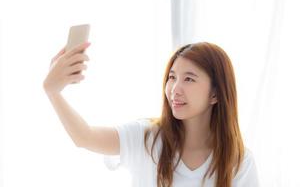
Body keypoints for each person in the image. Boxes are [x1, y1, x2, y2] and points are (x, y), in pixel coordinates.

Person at [43, 41, 259, 187]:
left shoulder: (239, 162)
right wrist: (53, 92)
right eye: (172, 77)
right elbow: (85, 137)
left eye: (189, 79)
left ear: (215, 94)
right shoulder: (147, 137)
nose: (175, 89)